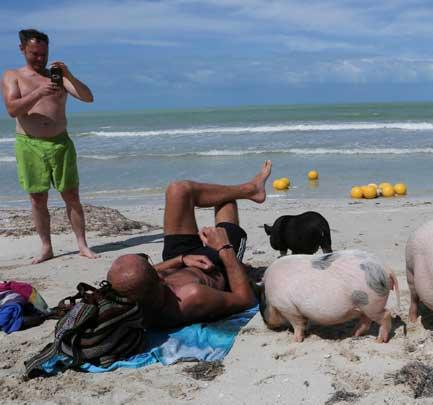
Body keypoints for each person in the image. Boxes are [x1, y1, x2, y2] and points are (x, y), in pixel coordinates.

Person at [107, 160, 272, 328]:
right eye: (147, 263)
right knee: (225, 202)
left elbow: (143, 277)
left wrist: (181, 259)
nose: (156, 267)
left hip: (184, 260)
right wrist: (224, 248)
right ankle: (251, 189)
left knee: (178, 190)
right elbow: (246, 300)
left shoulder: (135, 293)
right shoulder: (192, 296)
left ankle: (251, 189)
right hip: (217, 266)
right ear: (159, 280)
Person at [2, 29, 96, 263]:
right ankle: (46, 247)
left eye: (44, 54)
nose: (40, 59)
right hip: (29, 144)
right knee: (37, 198)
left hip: (60, 143)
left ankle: (82, 245)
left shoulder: (58, 77)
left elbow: (87, 97)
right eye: (35, 54)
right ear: (22, 49)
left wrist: (69, 75)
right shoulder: (12, 75)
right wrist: (38, 92)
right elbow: (13, 109)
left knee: (71, 195)